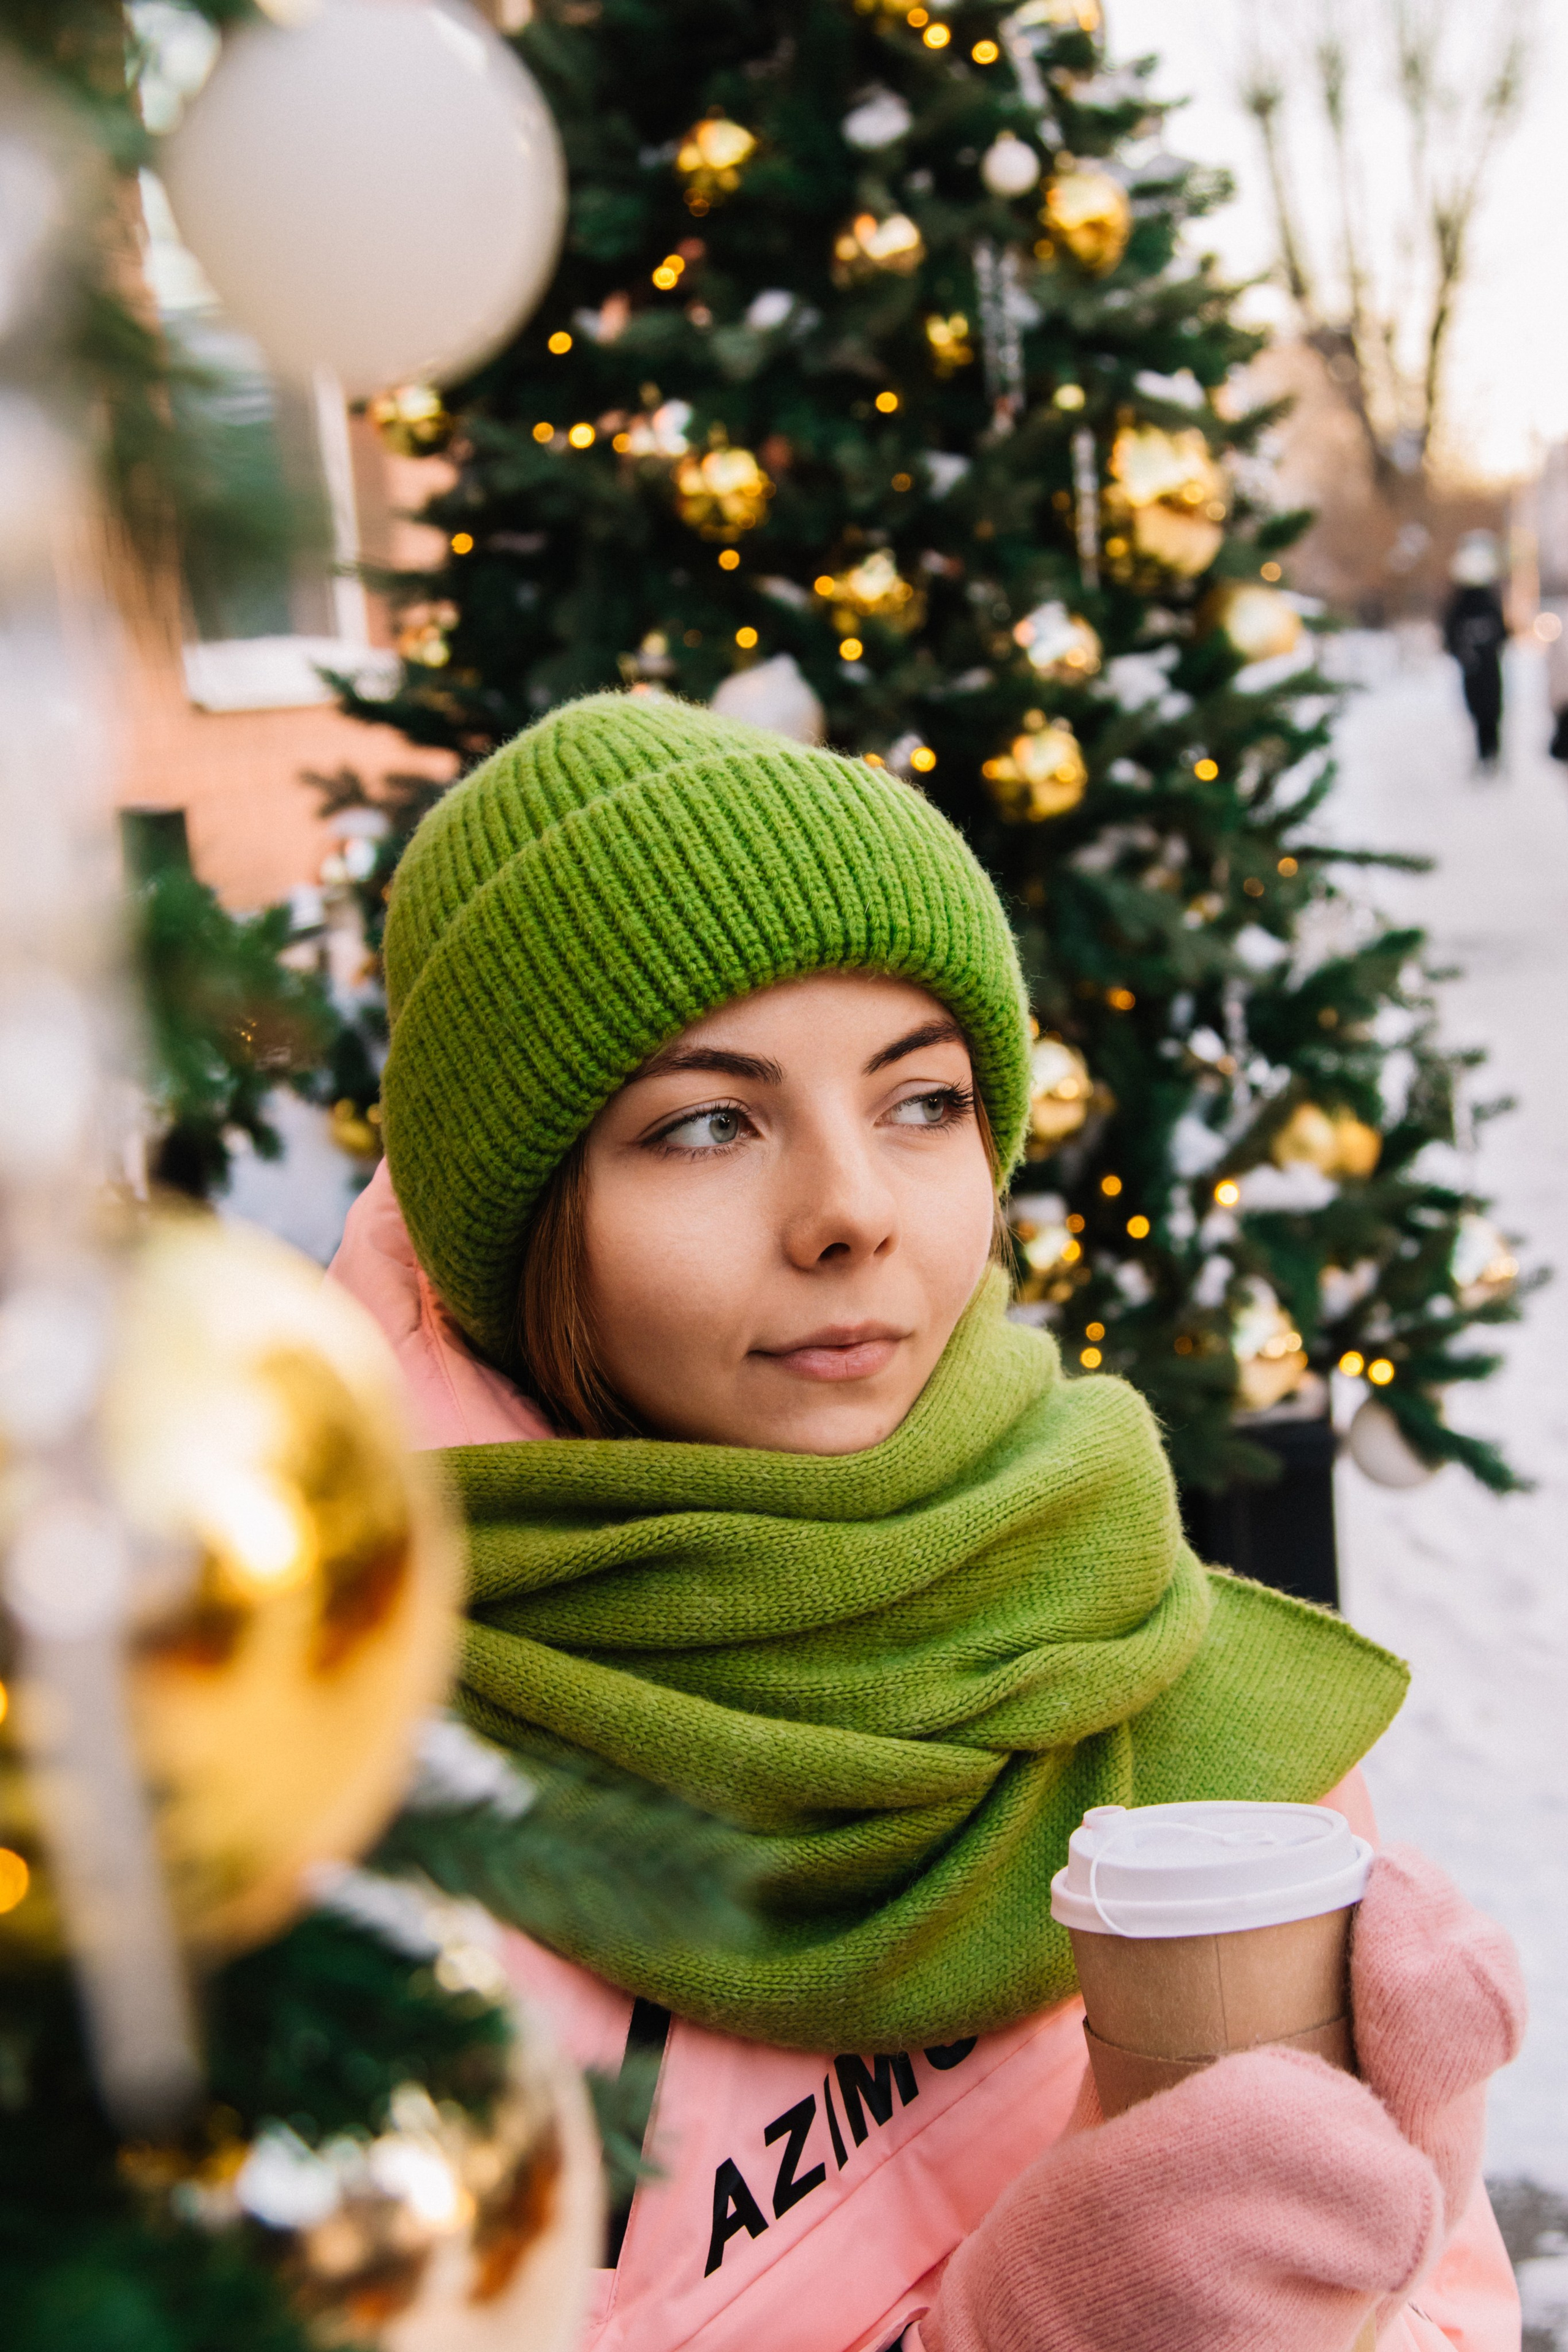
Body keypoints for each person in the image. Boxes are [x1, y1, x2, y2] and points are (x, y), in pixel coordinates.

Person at [330, 693, 1525, 2352]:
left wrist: (1377, 2286)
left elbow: (1456, 2306)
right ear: (522, 1228)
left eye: (921, 1101)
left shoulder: (1126, 1640)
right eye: (705, 1123)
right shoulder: (336, 1838)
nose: (851, 1212)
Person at [1442, 531, 1509, 771]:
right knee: (1484, 711)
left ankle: (1491, 753)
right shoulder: (1464, 604)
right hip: (1477, 668)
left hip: (1485, 667)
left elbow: (1503, 634)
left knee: (1489, 712)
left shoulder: (1484, 602)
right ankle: (1486, 753)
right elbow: (1450, 636)